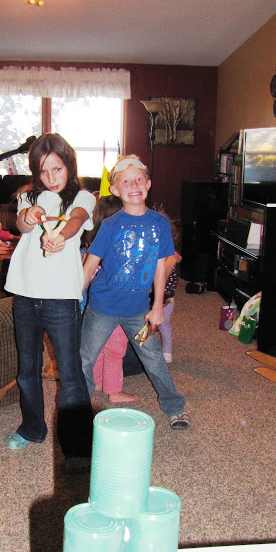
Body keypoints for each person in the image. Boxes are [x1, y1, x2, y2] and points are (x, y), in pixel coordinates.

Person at [3, 132, 96, 466]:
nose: (51, 178)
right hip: (25, 294)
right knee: (27, 370)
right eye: (43, 171)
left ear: (69, 165)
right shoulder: (28, 196)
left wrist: (60, 237)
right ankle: (32, 429)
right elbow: (22, 224)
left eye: (57, 169)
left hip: (60, 297)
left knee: (70, 374)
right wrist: (28, 217)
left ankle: (78, 444)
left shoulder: (83, 196)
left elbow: (77, 220)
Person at [79, 155, 189, 430]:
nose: (134, 185)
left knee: (154, 359)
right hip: (102, 308)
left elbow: (160, 267)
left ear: (148, 184)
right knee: (85, 359)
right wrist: (72, 298)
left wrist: (157, 307)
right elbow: (90, 266)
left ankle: (175, 407)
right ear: (115, 190)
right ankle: (79, 408)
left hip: (138, 311)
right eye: (126, 182)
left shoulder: (159, 224)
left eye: (139, 179)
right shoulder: (109, 226)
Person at [83, 195, 139, 404]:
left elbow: (85, 271)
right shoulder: (121, 246)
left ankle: (98, 381)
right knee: (116, 349)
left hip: (96, 306)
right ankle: (114, 391)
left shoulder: (91, 243)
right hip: (116, 306)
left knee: (97, 347)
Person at [158, 216, 182, 363]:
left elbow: (167, 281)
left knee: (164, 326)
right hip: (150, 299)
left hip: (166, 299)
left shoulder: (170, 257)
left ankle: (167, 352)